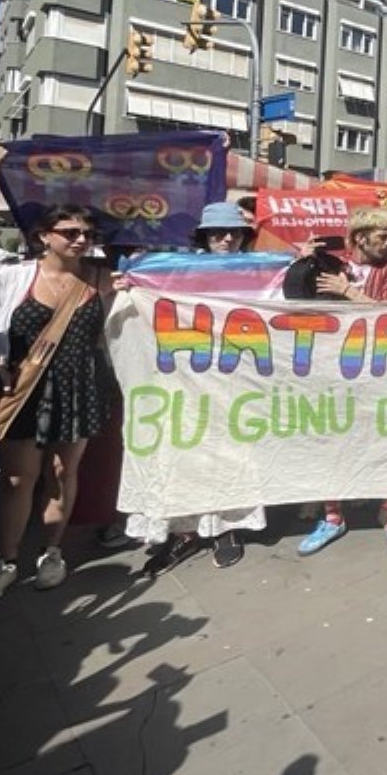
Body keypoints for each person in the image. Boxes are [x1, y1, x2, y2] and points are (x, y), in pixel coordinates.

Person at [0, 206, 117, 607]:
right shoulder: (10, 278)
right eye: (69, 231)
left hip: (80, 389)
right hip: (22, 393)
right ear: (43, 236)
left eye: (87, 232)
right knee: (18, 480)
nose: (81, 239)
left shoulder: (103, 279)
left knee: (63, 475)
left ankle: (53, 551)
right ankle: (7, 562)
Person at [125, 202, 268, 573]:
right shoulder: (176, 270)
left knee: (233, 451)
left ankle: (226, 528)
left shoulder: (259, 270)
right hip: (185, 373)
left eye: (234, 232)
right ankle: (185, 531)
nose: (226, 238)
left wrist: (299, 264)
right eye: (218, 232)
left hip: (238, 373)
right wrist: (132, 283)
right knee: (186, 452)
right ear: (204, 236)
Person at [296, 208, 387, 560]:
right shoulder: (330, 264)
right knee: (333, 443)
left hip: (378, 372)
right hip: (332, 371)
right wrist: (302, 262)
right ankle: (332, 518)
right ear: (359, 238)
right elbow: (294, 296)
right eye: (381, 237)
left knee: (385, 443)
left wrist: (349, 292)